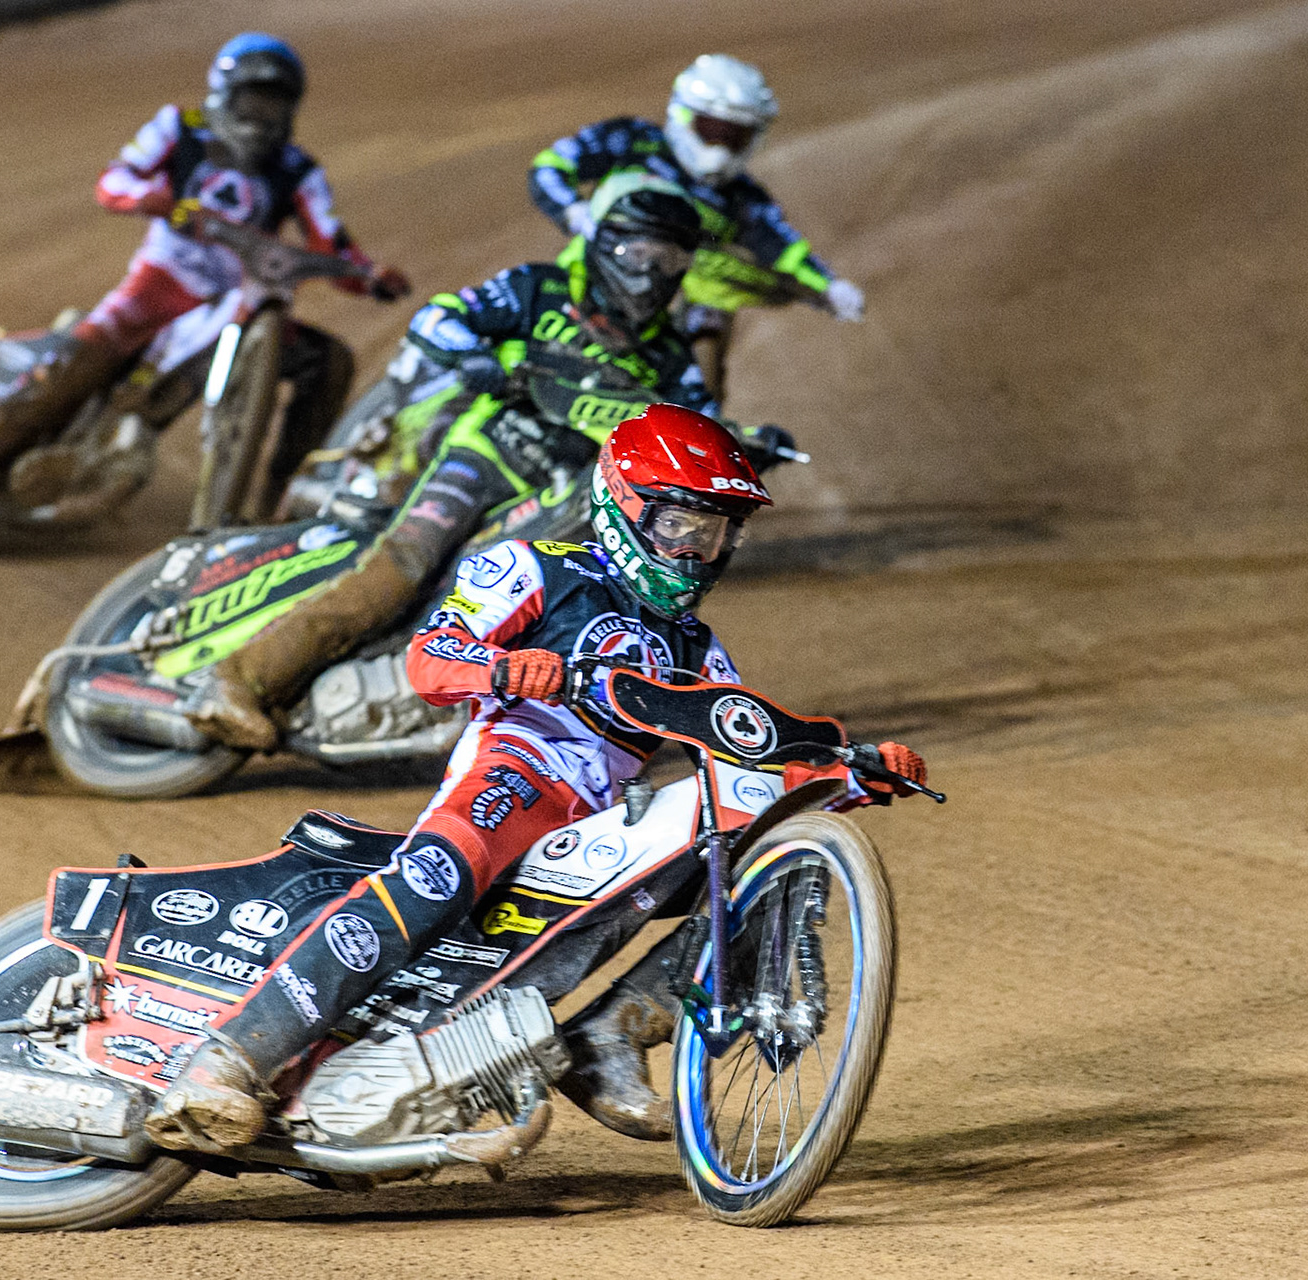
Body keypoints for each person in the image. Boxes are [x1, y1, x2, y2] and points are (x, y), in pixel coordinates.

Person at [144, 403, 927, 1154]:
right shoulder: (533, 570)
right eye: (679, 525)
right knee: (435, 875)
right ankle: (230, 1061)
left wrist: (847, 774)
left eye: (715, 532)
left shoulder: (697, 647)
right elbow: (428, 660)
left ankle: (612, 1034)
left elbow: (745, 755)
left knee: (751, 866)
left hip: (600, 824)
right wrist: (504, 667)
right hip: (514, 775)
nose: (696, 551)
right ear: (624, 508)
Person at [174, 172, 720, 752]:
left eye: (671, 257)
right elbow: (438, 317)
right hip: (485, 457)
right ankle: (232, 680)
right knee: (403, 568)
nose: (653, 272)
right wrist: (475, 358)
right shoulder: (540, 289)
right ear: (604, 241)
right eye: (641, 251)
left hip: (569, 492)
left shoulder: (670, 356)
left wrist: (743, 445)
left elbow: (699, 424)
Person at [0, 33, 410, 510]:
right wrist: (162, 202)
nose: (262, 117)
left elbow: (330, 240)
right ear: (224, 93)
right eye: (253, 101)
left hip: (240, 296)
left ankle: (282, 502)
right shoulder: (179, 128)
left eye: (275, 105)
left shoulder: (299, 169)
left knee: (331, 363)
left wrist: (369, 276)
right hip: (162, 280)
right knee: (80, 359)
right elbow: (113, 181)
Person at [529, 54, 864, 400]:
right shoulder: (632, 140)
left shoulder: (744, 198)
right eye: (712, 130)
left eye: (735, 136)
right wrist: (573, 210)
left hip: (686, 301)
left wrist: (830, 286)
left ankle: (696, 412)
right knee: (526, 325)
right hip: (593, 276)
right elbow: (549, 166)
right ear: (683, 113)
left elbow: (786, 250)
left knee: (712, 326)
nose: (720, 147)